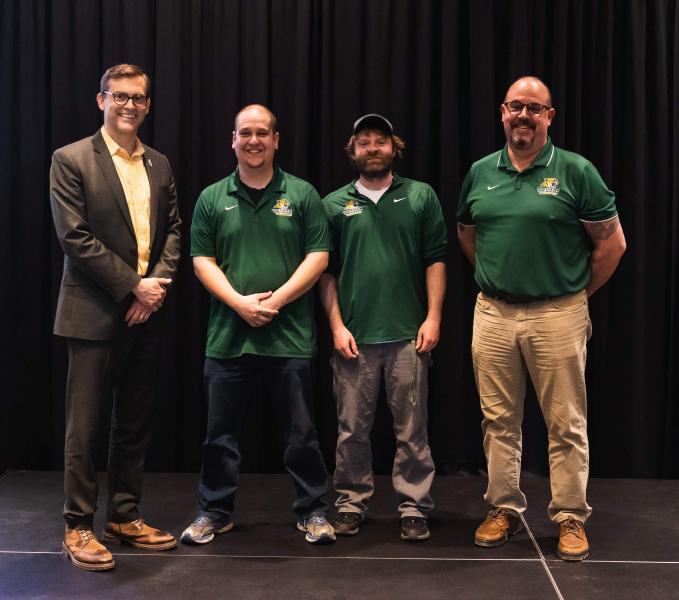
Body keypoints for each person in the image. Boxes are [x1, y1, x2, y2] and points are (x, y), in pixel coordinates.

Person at [457, 76, 626, 561]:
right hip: (492, 313)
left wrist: (574, 294)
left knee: (565, 422)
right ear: (502, 112)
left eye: (535, 108)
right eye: (516, 107)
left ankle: (570, 515)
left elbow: (612, 244)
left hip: (558, 313)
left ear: (549, 116)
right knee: (498, 420)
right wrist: (500, 277)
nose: (524, 115)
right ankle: (503, 509)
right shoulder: (480, 172)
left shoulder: (575, 171)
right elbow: (469, 235)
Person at [182, 104, 335, 545]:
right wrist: (238, 303)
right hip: (228, 338)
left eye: (262, 133)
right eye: (245, 133)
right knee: (219, 437)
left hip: (289, 338)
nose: (254, 141)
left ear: (276, 140)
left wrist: (276, 302)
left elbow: (319, 257)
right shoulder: (213, 197)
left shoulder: (302, 194)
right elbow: (201, 261)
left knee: (302, 435)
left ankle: (314, 511)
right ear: (233, 139)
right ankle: (214, 511)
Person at [50, 64, 181, 571]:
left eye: (139, 98)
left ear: (148, 105)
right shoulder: (71, 158)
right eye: (120, 96)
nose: (130, 105)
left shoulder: (160, 164)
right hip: (92, 311)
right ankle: (77, 526)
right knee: (84, 427)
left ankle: (124, 516)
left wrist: (154, 291)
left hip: (145, 313)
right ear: (101, 99)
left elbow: (173, 230)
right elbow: (74, 237)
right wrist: (134, 285)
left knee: (133, 423)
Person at [319, 114, 447, 541]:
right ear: (352, 151)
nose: (372, 148)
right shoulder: (333, 205)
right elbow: (326, 272)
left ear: (395, 147)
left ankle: (413, 506)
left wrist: (433, 317)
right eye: (364, 142)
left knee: (412, 430)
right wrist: (336, 327)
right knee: (351, 429)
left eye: (380, 141)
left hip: (408, 337)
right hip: (354, 338)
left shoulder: (420, 197)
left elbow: (436, 260)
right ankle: (351, 502)